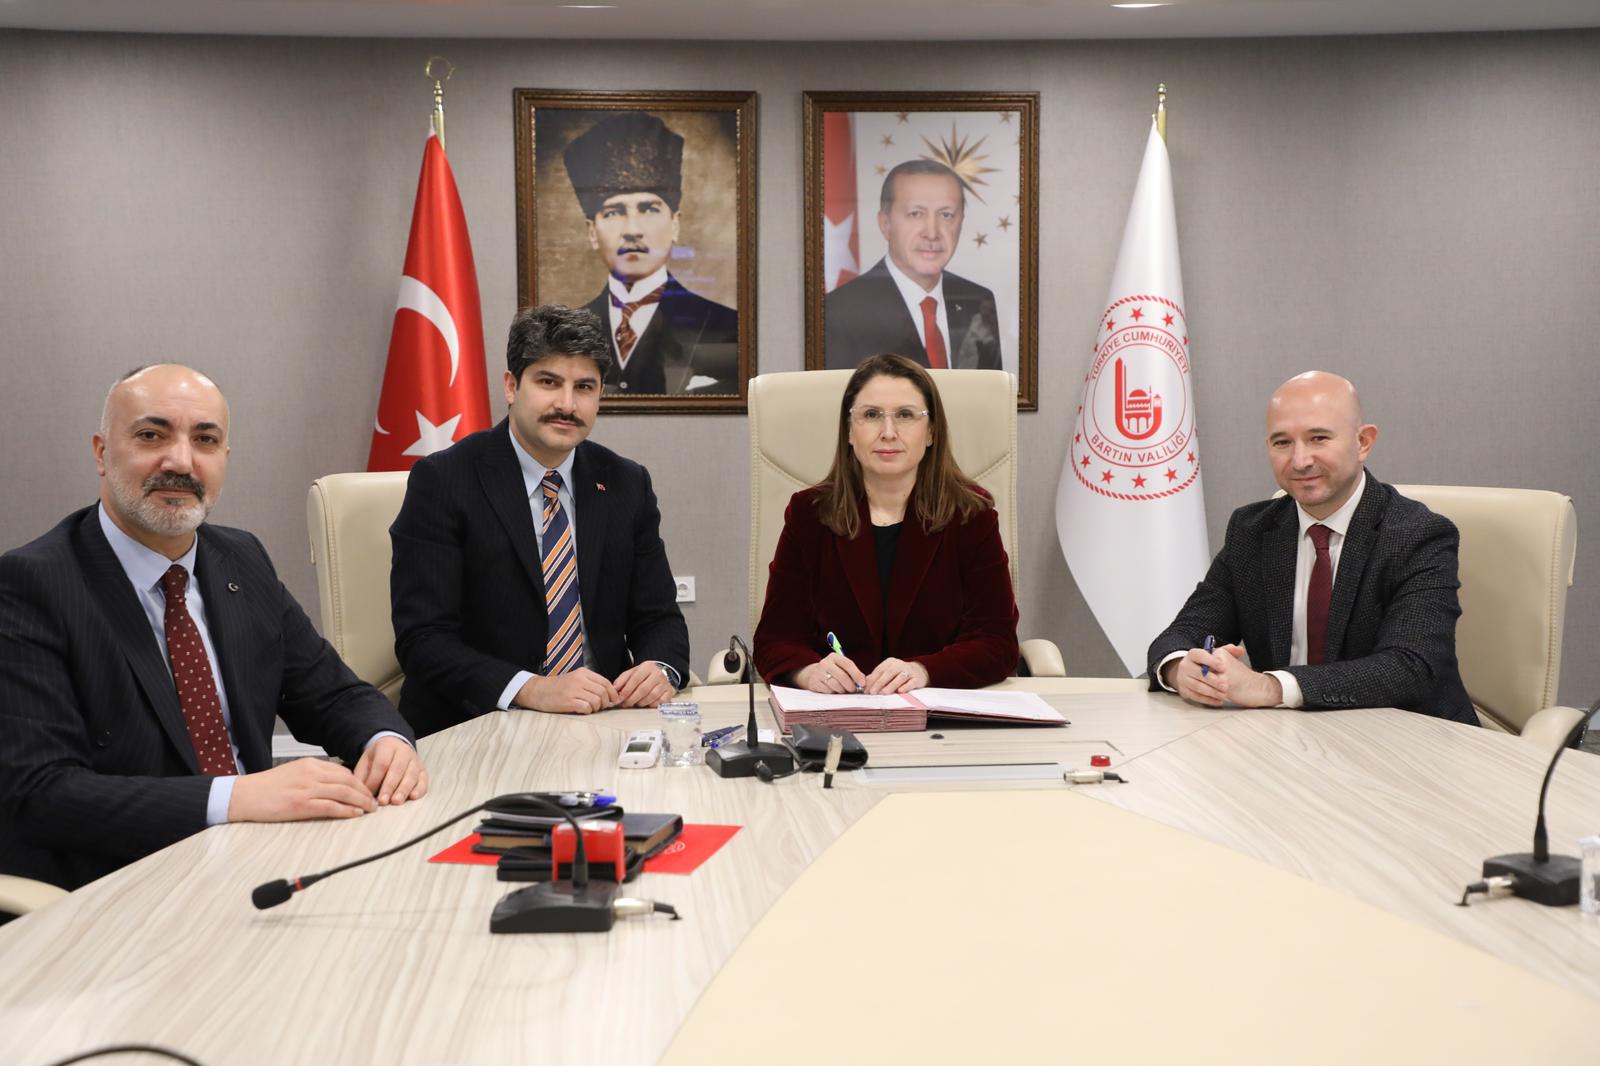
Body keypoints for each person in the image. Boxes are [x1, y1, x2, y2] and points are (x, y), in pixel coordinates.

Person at [0, 365, 427, 891]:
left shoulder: (240, 557)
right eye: (151, 435)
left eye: (205, 440)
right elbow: (40, 794)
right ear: (101, 453)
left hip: (260, 860)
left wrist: (385, 740)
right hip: (125, 885)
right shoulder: (30, 584)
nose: (181, 462)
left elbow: (333, 695)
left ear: (224, 457)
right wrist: (235, 796)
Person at [390, 304, 691, 738]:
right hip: (477, 727)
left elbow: (659, 617)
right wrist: (532, 689)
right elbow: (423, 639)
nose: (567, 405)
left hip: (602, 722)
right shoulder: (444, 480)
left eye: (584, 387)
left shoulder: (626, 483)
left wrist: (659, 668)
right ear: (512, 386)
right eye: (549, 382)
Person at [1147, 371, 1476, 724]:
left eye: (1318, 438)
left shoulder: (1419, 534)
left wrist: (1270, 687)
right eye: (1282, 442)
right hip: (1291, 739)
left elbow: (1411, 667)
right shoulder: (1252, 531)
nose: (1300, 461)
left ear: (1363, 442)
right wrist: (1181, 669)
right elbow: (1183, 633)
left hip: (1408, 740)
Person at [753, 353, 1018, 692]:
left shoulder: (970, 516)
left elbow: (997, 642)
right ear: (849, 431)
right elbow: (774, 639)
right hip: (838, 710)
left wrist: (924, 671)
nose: (888, 433)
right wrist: (808, 672)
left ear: (931, 431)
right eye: (871, 415)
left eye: (906, 415)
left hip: (936, 710)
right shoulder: (810, 515)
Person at [563, 110, 739, 396]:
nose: (633, 230)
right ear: (592, 232)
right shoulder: (565, 332)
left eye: (648, 209)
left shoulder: (727, 326)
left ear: (675, 224)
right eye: (614, 212)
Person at [823, 160, 1002, 373]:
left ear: (961, 223)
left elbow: (989, 391)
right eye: (916, 214)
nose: (932, 233)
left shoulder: (977, 300)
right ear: (885, 224)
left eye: (946, 215)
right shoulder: (840, 312)